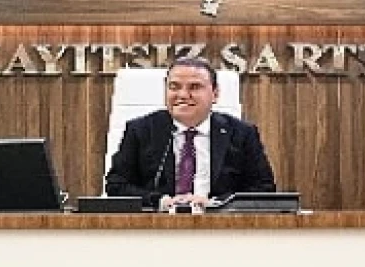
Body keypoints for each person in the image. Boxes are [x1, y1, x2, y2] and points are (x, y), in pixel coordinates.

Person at [105, 58, 276, 211]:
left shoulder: (241, 133)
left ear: (215, 94)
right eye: (174, 87)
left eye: (194, 87)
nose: (182, 95)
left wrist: (215, 204)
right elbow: (116, 186)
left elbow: (264, 189)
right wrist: (160, 202)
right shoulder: (141, 130)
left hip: (220, 227)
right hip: (157, 227)